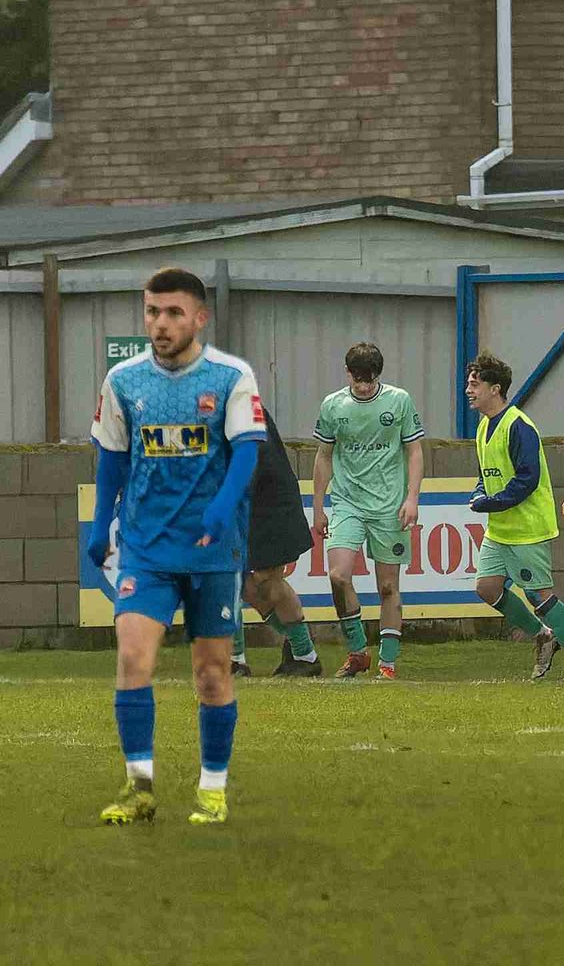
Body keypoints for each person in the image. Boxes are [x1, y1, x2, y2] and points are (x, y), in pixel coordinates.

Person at [88, 266, 265, 826]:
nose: (160, 323)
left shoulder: (230, 377)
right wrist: (100, 525)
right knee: (132, 657)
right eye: (151, 311)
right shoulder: (123, 380)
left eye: (172, 312)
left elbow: (248, 450)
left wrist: (223, 505)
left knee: (211, 674)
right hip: (145, 547)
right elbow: (112, 458)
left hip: (212, 549)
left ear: (199, 318)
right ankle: (139, 786)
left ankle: (212, 789)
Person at [465, 351, 564, 682]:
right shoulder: (483, 426)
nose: (469, 390)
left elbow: (527, 479)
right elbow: (486, 473)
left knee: (539, 594)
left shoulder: (519, 426)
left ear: (495, 389)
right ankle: (543, 635)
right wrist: (480, 493)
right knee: (487, 588)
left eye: (475, 384)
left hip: (527, 528)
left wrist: (492, 503)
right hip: (500, 528)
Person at [311, 343, 425, 680]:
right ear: (348, 373)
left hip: (389, 506)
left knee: (388, 586)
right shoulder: (333, 406)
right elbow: (324, 456)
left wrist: (412, 498)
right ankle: (358, 651)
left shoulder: (399, 401)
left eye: (370, 380)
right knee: (338, 576)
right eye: (358, 380)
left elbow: (414, 451)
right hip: (347, 503)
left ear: (378, 375)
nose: (363, 386)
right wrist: (318, 507)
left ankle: (387, 665)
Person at [231, 405, 321, 677]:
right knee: (237, 582)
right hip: (243, 503)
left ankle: (304, 654)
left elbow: (251, 459)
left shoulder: (244, 407)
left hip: (270, 503)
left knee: (266, 580)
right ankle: (236, 660)